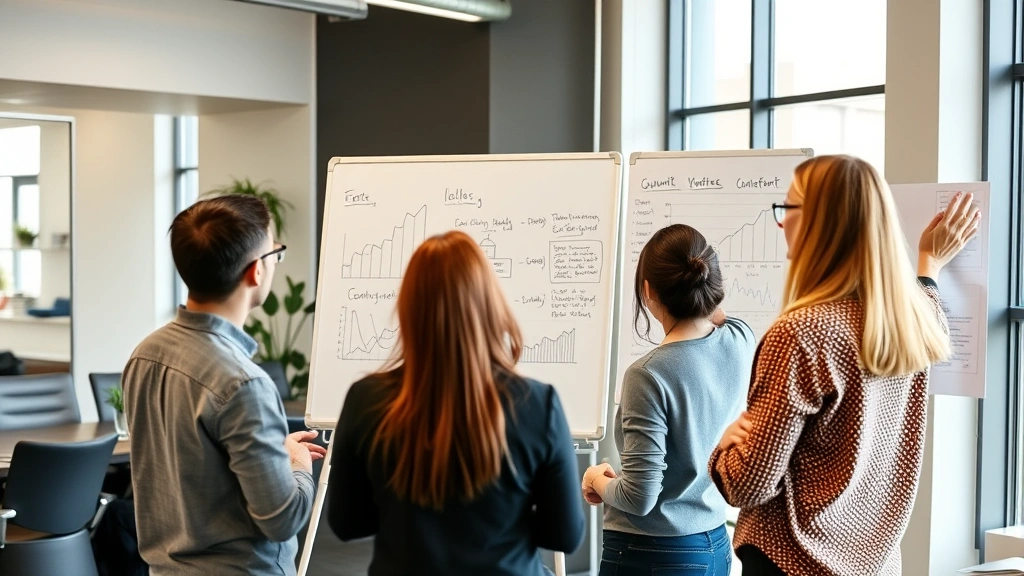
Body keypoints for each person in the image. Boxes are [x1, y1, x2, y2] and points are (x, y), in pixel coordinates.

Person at [709, 155, 981, 576]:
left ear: (820, 223)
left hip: (791, 562)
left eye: (788, 209)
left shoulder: (801, 334)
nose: (781, 224)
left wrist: (724, 449)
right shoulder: (916, 322)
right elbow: (929, 301)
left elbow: (750, 484)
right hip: (876, 565)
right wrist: (930, 262)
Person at [327, 230, 585, 576]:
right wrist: (506, 518)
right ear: (490, 306)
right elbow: (565, 536)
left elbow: (347, 524)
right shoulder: (539, 404)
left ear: (408, 307)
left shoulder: (366, 399)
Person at [122, 195, 326, 575]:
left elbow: (196, 466)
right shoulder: (243, 383)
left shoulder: (144, 354)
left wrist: (270, 454)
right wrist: (296, 465)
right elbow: (282, 520)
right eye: (274, 253)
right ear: (256, 272)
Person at [579, 224, 755, 575]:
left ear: (647, 291)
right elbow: (717, 314)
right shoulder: (740, 338)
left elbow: (639, 499)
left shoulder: (647, 375)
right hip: (715, 546)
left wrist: (596, 478)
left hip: (650, 553)